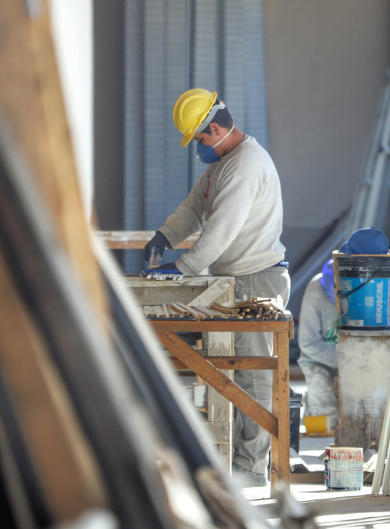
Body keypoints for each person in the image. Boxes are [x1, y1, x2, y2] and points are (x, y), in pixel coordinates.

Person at [144, 88, 289, 487]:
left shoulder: (246, 166)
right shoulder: (223, 163)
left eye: (201, 138)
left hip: (257, 278)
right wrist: (165, 236)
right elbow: (195, 207)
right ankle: (241, 460)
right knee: (237, 372)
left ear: (218, 127)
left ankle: (251, 468)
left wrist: (185, 267)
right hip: (234, 279)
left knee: (253, 376)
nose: (199, 147)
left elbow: (221, 229)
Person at [297, 259, 340, 437]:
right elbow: (307, 342)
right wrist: (344, 361)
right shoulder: (315, 289)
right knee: (323, 427)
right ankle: (313, 407)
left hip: (356, 360)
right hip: (318, 360)